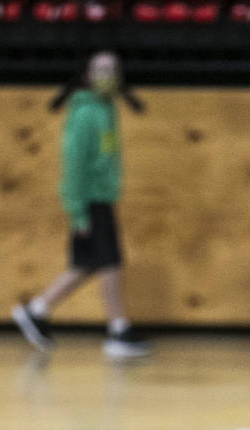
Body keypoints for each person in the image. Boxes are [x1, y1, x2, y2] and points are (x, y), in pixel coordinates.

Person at [12, 51, 151, 360]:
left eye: (113, 69)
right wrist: (78, 211)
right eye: (100, 69)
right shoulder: (85, 113)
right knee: (110, 263)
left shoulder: (107, 109)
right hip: (90, 201)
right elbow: (73, 166)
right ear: (86, 75)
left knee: (88, 264)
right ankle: (118, 330)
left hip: (103, 198)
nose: (108, 75)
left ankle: (37, 310)